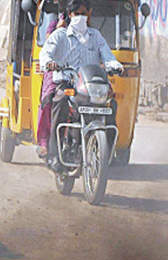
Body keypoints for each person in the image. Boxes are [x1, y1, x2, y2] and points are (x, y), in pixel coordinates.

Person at [39, 0, 123, 168]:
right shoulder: (60, 35)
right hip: (67, 83)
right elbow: (46, 53)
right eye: (77, 14)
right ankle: (54, 155)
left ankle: (107, 153)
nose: (80, 18)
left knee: (111, 105)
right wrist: (49, 63)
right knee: (60, 102)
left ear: (89, 13)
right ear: (69, 15)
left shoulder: (95, 36)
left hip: (89, 85)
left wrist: (114, 65)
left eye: (84, 14)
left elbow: (107, 55)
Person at [35, 8, 67, 159]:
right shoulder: (55, 24)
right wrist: (59, 28)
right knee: (48, 101)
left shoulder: (90, 31)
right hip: (56, 71)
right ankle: (44, 142)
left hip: (79, 72)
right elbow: (48, 44)